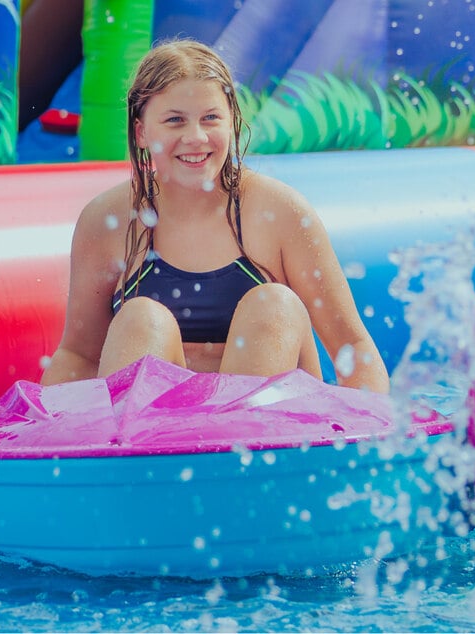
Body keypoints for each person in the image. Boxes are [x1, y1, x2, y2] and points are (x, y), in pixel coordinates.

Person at [40, 39, 390, 393]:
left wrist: (376, 436)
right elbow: (79, 356)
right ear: (141, 132)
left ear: (232, 123)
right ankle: (134, 448)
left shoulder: (279, 212)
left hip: (274, 429)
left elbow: (354, 348)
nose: (196, 137)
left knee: (273, 306)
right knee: (139, 320)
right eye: (175, 121)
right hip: (159, 434)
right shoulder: (109, 220)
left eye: (211, 118)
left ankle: (247, 439)